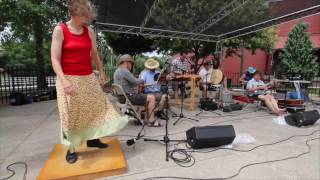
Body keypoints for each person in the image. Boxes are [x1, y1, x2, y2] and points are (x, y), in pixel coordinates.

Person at [51, 0, 128, 164]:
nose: (88, 19)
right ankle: (71, 148)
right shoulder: (60, 30)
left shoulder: (89, 31)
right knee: (70, 114)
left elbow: (94, 53)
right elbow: (54, 59)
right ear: (75, 13)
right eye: (85, 15)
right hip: (68, 77)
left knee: (96, 108)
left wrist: (100, 71)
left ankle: (93, 138)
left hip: (87, 77)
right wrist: (64, 81)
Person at [113, 55, 162, 127]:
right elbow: (135, 82)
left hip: (121, 98)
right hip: (128, 97)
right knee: (151, 97)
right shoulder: (124, 71)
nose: (131, 66)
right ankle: (151, 121)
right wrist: (143, 80)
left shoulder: (117, 71)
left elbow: (129, 83)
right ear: (127, 62)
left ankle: (140, 117)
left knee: (144, 96)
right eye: (131, 64)